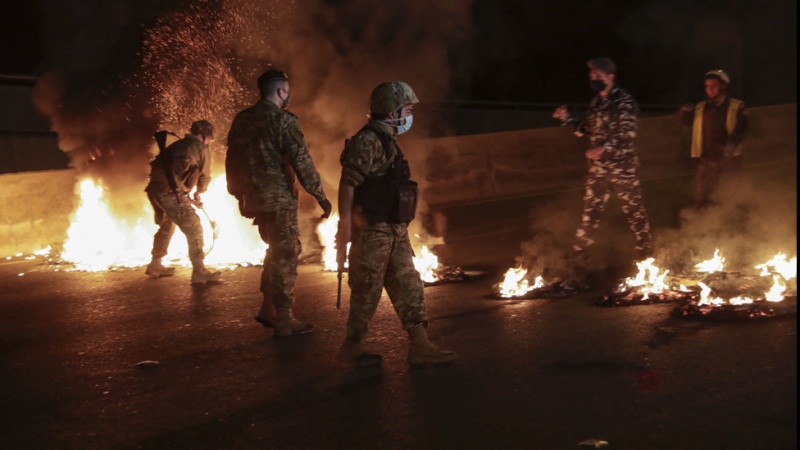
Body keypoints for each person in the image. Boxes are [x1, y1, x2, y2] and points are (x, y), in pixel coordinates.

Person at [335, 81, 457, 367]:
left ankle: (420, 344)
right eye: (408, 108)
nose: (410, 114)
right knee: (367, 289)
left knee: (408, 284)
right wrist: (345, 227)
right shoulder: (368, 141)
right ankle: (352, 344)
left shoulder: (388, 139)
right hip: (373, 230)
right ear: (392, 111)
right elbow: (348, 184)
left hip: (395, 229)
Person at [226, 69, 332, 338]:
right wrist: (320, 195)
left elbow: (232, 162)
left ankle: (268, 307)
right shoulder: (284, 121)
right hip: (279, 199)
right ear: (281, 92)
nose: (289, 95)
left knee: (275, 249)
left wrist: (238, 194)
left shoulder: (242, 120)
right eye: (287, 90)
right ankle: (284, 318)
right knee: (286, 252)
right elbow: (302, 162)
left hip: (255, 200)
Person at [552, 57, 653, 290]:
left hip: (622, 167)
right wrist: (567, 119)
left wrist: (604, 148)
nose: (594, 80)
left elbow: (626, 134)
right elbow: (587, 130)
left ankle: (647, 256)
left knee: (635, 213)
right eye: (592, 76)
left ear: (611, 77)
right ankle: (577, 265)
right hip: (598, 170)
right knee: (590, 214)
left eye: (599, 76)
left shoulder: (624, 102)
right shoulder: (596, 102)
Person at [145, 120, 222, 284]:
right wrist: (200, 192)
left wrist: (188, 199)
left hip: (155, 190)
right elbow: (205, 176)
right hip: (169, 192)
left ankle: (155, 264)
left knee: (167, 224)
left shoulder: (178, 145)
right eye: (209, 139)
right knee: (193, 226)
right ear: (203, 136)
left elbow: (172, 177)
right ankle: (199, 271)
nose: (209, 142)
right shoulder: (201, 148)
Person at [677, 69, 748, 209]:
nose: (709, 90)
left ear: (723, 86)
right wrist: (684, 112)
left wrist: (730, 148)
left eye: (713, 86)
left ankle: (740, 228)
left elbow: (741, 129)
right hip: (707, 161)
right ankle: (704, 227)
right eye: (707, 86)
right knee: (703, 199)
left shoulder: (736, 106)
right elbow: (684, 121)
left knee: (734, 198)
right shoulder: (701, 108)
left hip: (730, 161)